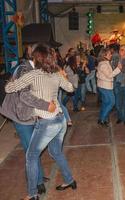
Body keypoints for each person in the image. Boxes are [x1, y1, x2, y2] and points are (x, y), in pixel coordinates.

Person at [5, 45, 77, 200]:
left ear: (37, 58)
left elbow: (9, 89)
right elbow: (71, 88)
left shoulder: (33, 75)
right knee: (56, 152)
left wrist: (11, 81)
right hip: (60, 120)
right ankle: (70, 180)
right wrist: (63, 76)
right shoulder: (56, 74)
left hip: (47, 122)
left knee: (31, 156)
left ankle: (32, 194)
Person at [0, 44, 54, 196]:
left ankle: (38, 176)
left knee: (33, 149)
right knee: (31, 150)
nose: (47, 62)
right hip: (21, 116)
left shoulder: (34, 69)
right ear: (37, 57)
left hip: (30, 114)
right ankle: (37, 182)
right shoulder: (24, 70)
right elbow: (24, 95)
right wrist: (45, 105)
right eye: (45, 59)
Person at [96, 48, 122, 127]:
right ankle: (102, 119)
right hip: (105, 86)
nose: (111, 55)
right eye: (109, 54)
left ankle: (101, 118)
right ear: (104, 55)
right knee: (111, 102)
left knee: (105, 103)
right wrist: (118, 69)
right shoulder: (104, 64)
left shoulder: (104, 63)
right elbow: (109, 75)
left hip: (104, 85)